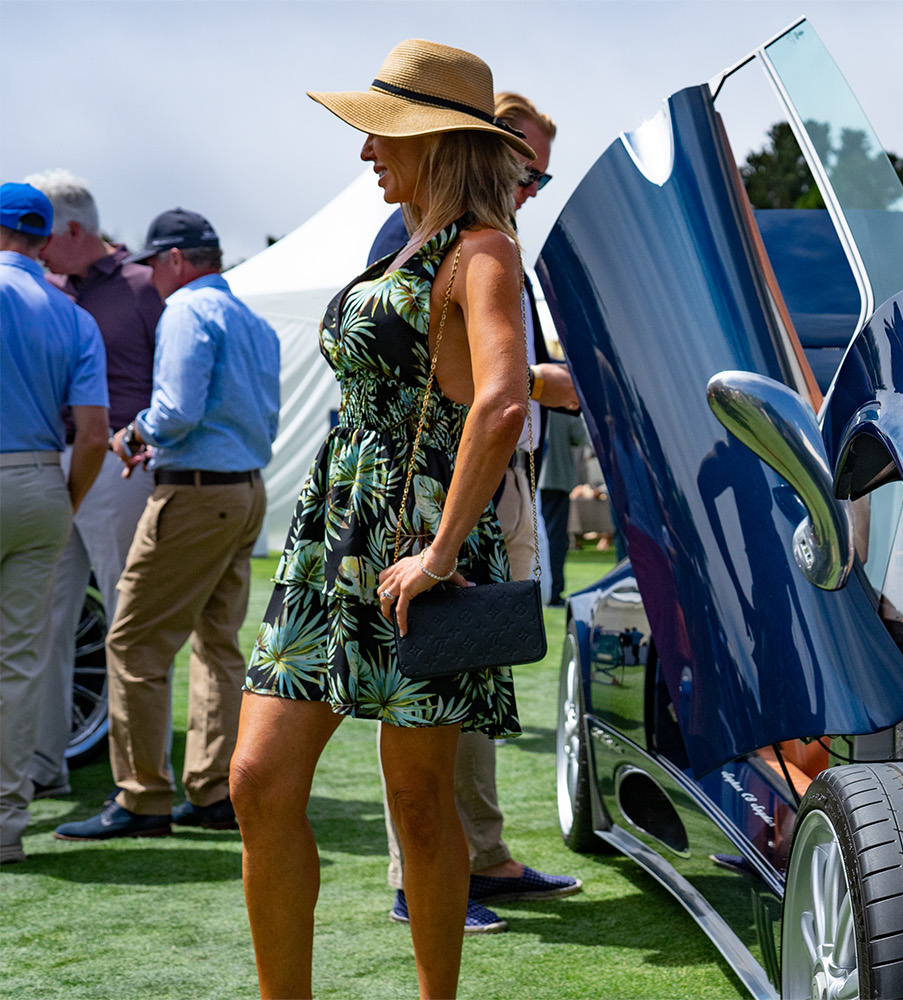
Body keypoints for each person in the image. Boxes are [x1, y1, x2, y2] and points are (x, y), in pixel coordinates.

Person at [230, 39, 539, 999]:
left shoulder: (483, 250)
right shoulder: (402, 240)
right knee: (257, 779)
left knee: (416, 796)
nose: (367, 152)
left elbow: (502, 401)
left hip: (421, 547)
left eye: (382, 135)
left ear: (440, 142)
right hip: (336, 535)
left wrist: (445, 551)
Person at [369, 89, 581, 935]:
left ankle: (481, 855)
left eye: (541, 173)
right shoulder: (425, 231)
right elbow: (455, 382)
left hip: (498, 477)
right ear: (479, 151)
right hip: (448, 484)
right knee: (429, 683)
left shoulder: (490, 240)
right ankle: (419, 877)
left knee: (471, 676)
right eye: (523, 167)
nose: (530, 185)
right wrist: (546, 383)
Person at [53, 207, 280, 842]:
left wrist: (135, 433)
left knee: (132, 644)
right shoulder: (250, 318)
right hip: (244, 490)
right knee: (218, 644)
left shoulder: (186, 309)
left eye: (154, 263)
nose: (151, 275)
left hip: (196, 492)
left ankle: (142, 797)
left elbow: (176, 410)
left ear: (176, 260)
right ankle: (211, 791)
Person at [24, 169, 163, 798]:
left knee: (125, 620)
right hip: (59, 463)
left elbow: (173, 380)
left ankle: (140, 780)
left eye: (44, 235)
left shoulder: (143, 285)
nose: (36, 247)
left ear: (75, 229)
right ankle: (43, 765)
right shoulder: (49, 287)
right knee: (49, 622)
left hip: (119, 470)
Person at [0, 182, 110, 863]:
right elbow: (93, 434)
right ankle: (6, 825)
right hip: (40, 480)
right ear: (46, 241)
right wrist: (61, 502)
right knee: (18, 664)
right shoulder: (73, 316)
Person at [540, 411, 587, 605]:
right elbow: (579, 436)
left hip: (532, 479)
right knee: (556, 539)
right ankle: (553, 591)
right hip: (557, 478)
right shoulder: (562, 403)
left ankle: (541, 588)